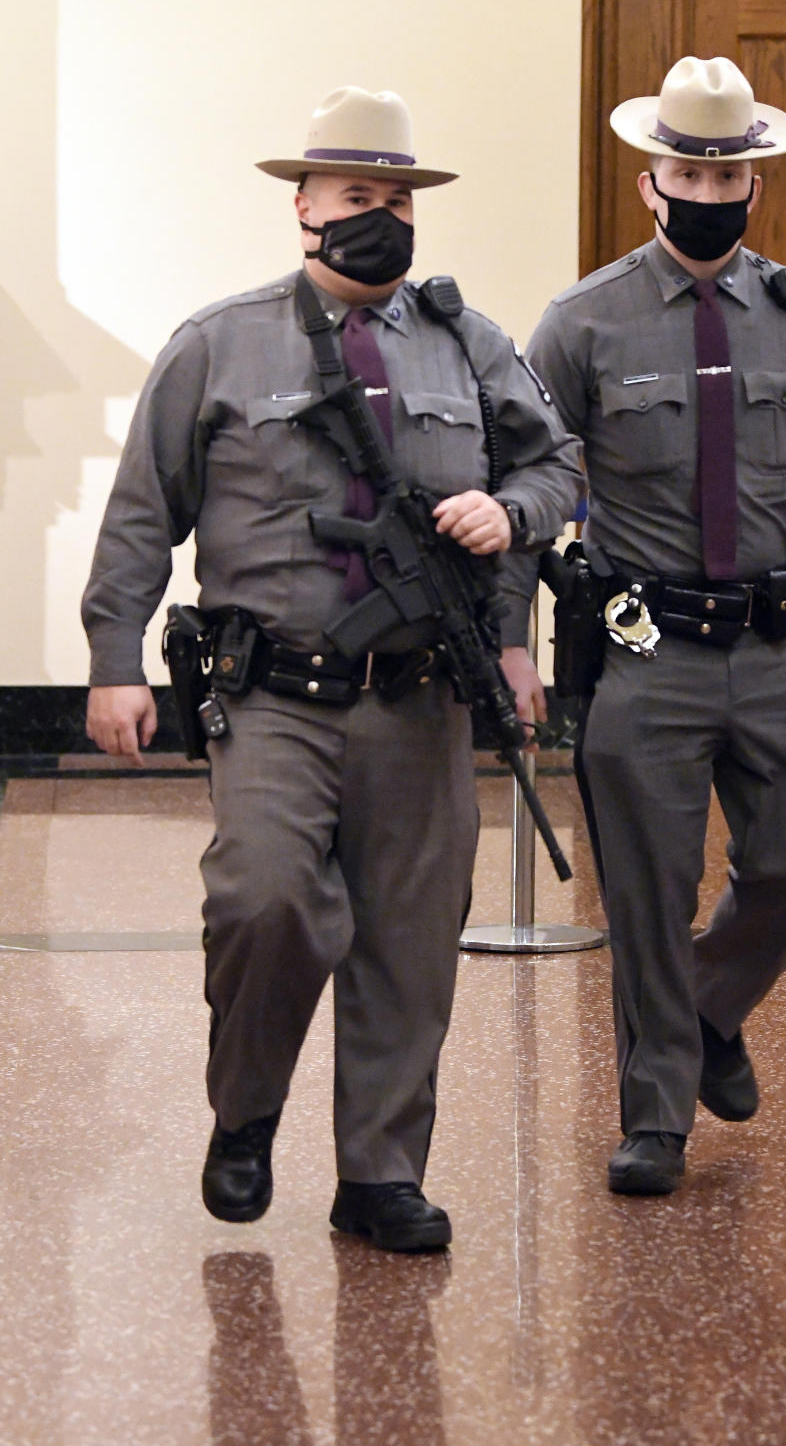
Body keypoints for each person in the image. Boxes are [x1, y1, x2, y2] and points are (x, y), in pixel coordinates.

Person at [82, 86, 581, 1249]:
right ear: (302, 206)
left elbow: (558, 467)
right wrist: (116, 658)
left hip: (419, 700)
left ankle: (378, 1176)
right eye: (359, 196)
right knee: (263, 903)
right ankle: (247, 1112)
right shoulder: (219, 341)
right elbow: (142, 510)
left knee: (411, 942)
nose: (384, 218)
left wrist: (508, 513)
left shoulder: (470, 341)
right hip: (273, 695)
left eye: (400, 199)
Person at [527, 56, 786, 1197]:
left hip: (781, 643)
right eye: (684, 173)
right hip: (646, 649)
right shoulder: (581, 322)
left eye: (726, 174)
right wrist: (513, 642)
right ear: (650, 181)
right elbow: (527, 480)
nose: (705, 192)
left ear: (755, 184)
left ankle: (707, 1007)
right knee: (646, 889)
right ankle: (655, 1116)